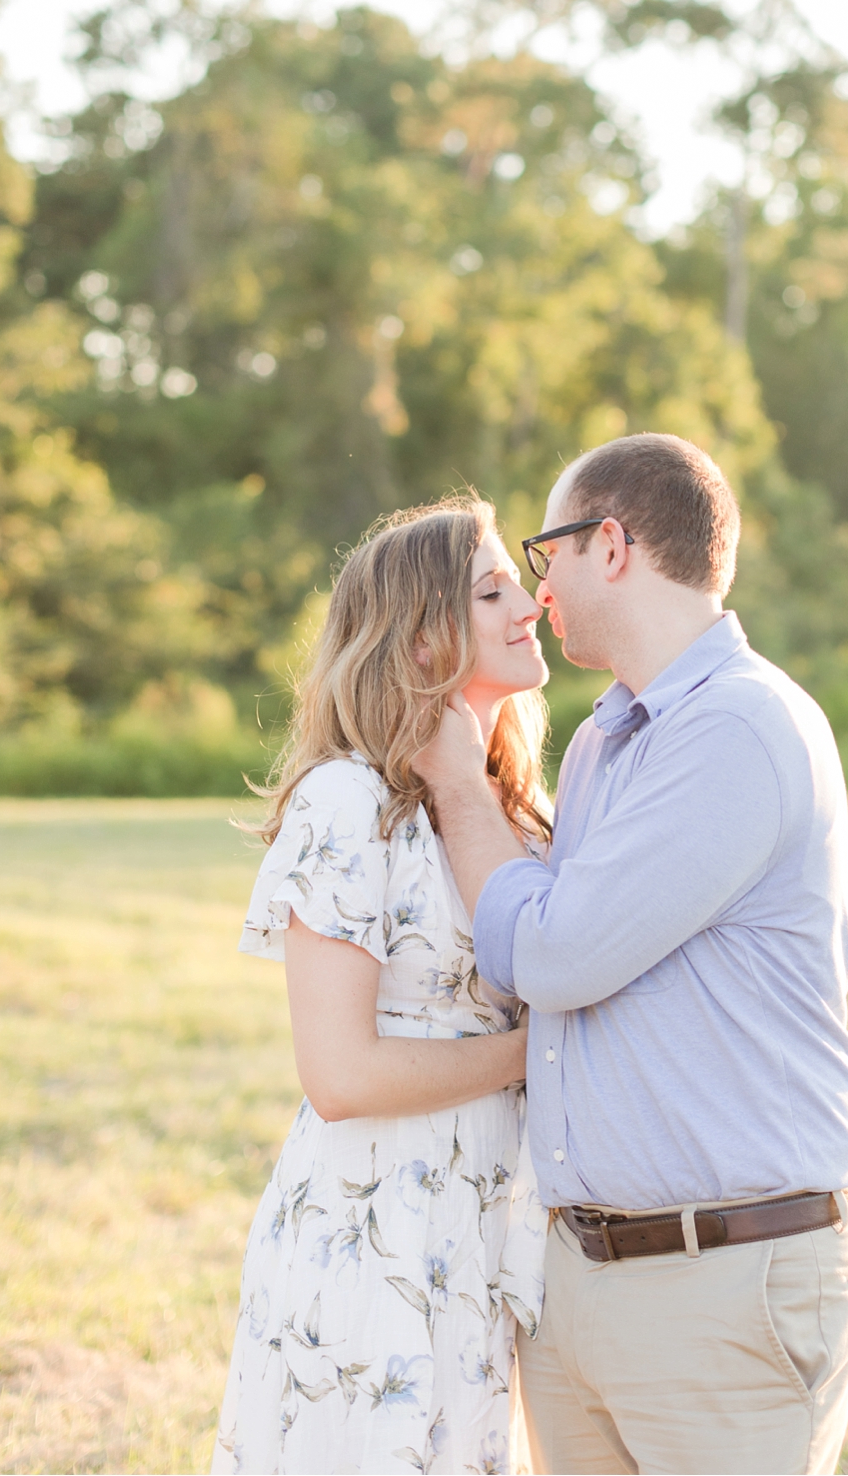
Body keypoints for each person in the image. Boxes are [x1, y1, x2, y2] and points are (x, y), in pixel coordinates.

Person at [414, 433, 848, 1476]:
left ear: (610, 544)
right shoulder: (602, 739)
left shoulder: (739, 727)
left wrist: (459, 789)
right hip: (583, 1277)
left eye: (547, 555)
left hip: (726, 1277)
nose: (538, 592)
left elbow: (560, 950)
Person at [212, 499, 550, 1476]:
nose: (528, 605)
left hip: (490, 1223)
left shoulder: (523, 814)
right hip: (378, 1221)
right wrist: (541, 1050)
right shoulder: (347, 802)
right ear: (421, 633)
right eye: (493, 590)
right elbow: (340, 1073)